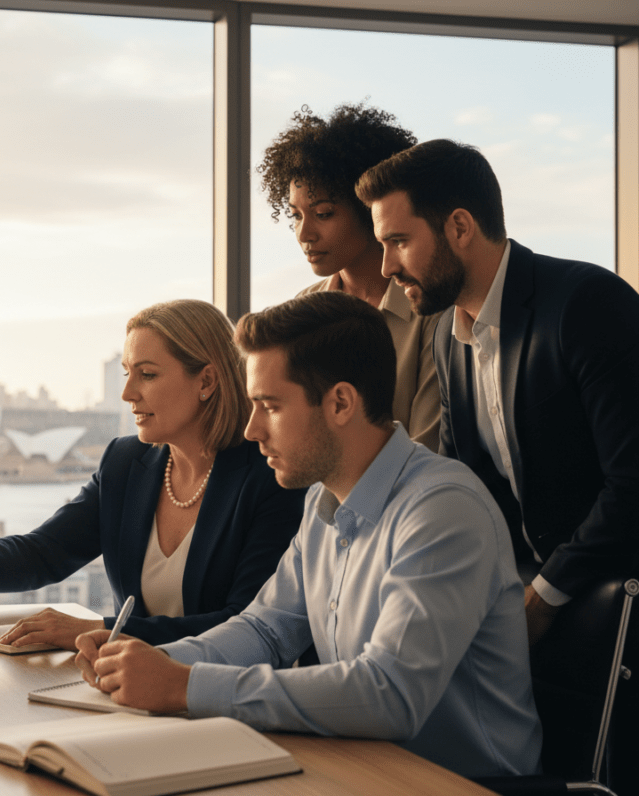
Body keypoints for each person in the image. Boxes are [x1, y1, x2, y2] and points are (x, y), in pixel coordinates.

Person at [75, 292, 541, 780]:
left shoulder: (442, 510)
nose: (252, 430)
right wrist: (147, 664)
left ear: (340, 402)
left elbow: (390, 695)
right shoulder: (323, 504)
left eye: (269, 406)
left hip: (460, 785)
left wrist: (186, 686)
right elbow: (265, 629)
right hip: (356, 769)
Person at [0, 299, 305, 650]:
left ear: (206, 381)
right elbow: (44, 553)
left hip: (221, 697)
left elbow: (246, 625)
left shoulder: (269, 475)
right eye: (127, 373)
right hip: (132, 687)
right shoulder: (127, 463)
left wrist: (98, 630)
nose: (127, 393)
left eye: (146, 374)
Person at [354, 138, 639, 644]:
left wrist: (545, 595)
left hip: (611, 606)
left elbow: (633, 483)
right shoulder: (446, 334)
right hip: (518, 601)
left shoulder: (587, 304)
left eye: (397, 241)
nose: (386, 268)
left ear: (459, 227)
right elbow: (462, 486)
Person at [257, 102, 440, 451]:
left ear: (371, 210)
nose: (304, 233)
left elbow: (428, 450)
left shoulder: (429, 311)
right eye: (296, 215)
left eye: (324, 213)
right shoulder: (302, 311)